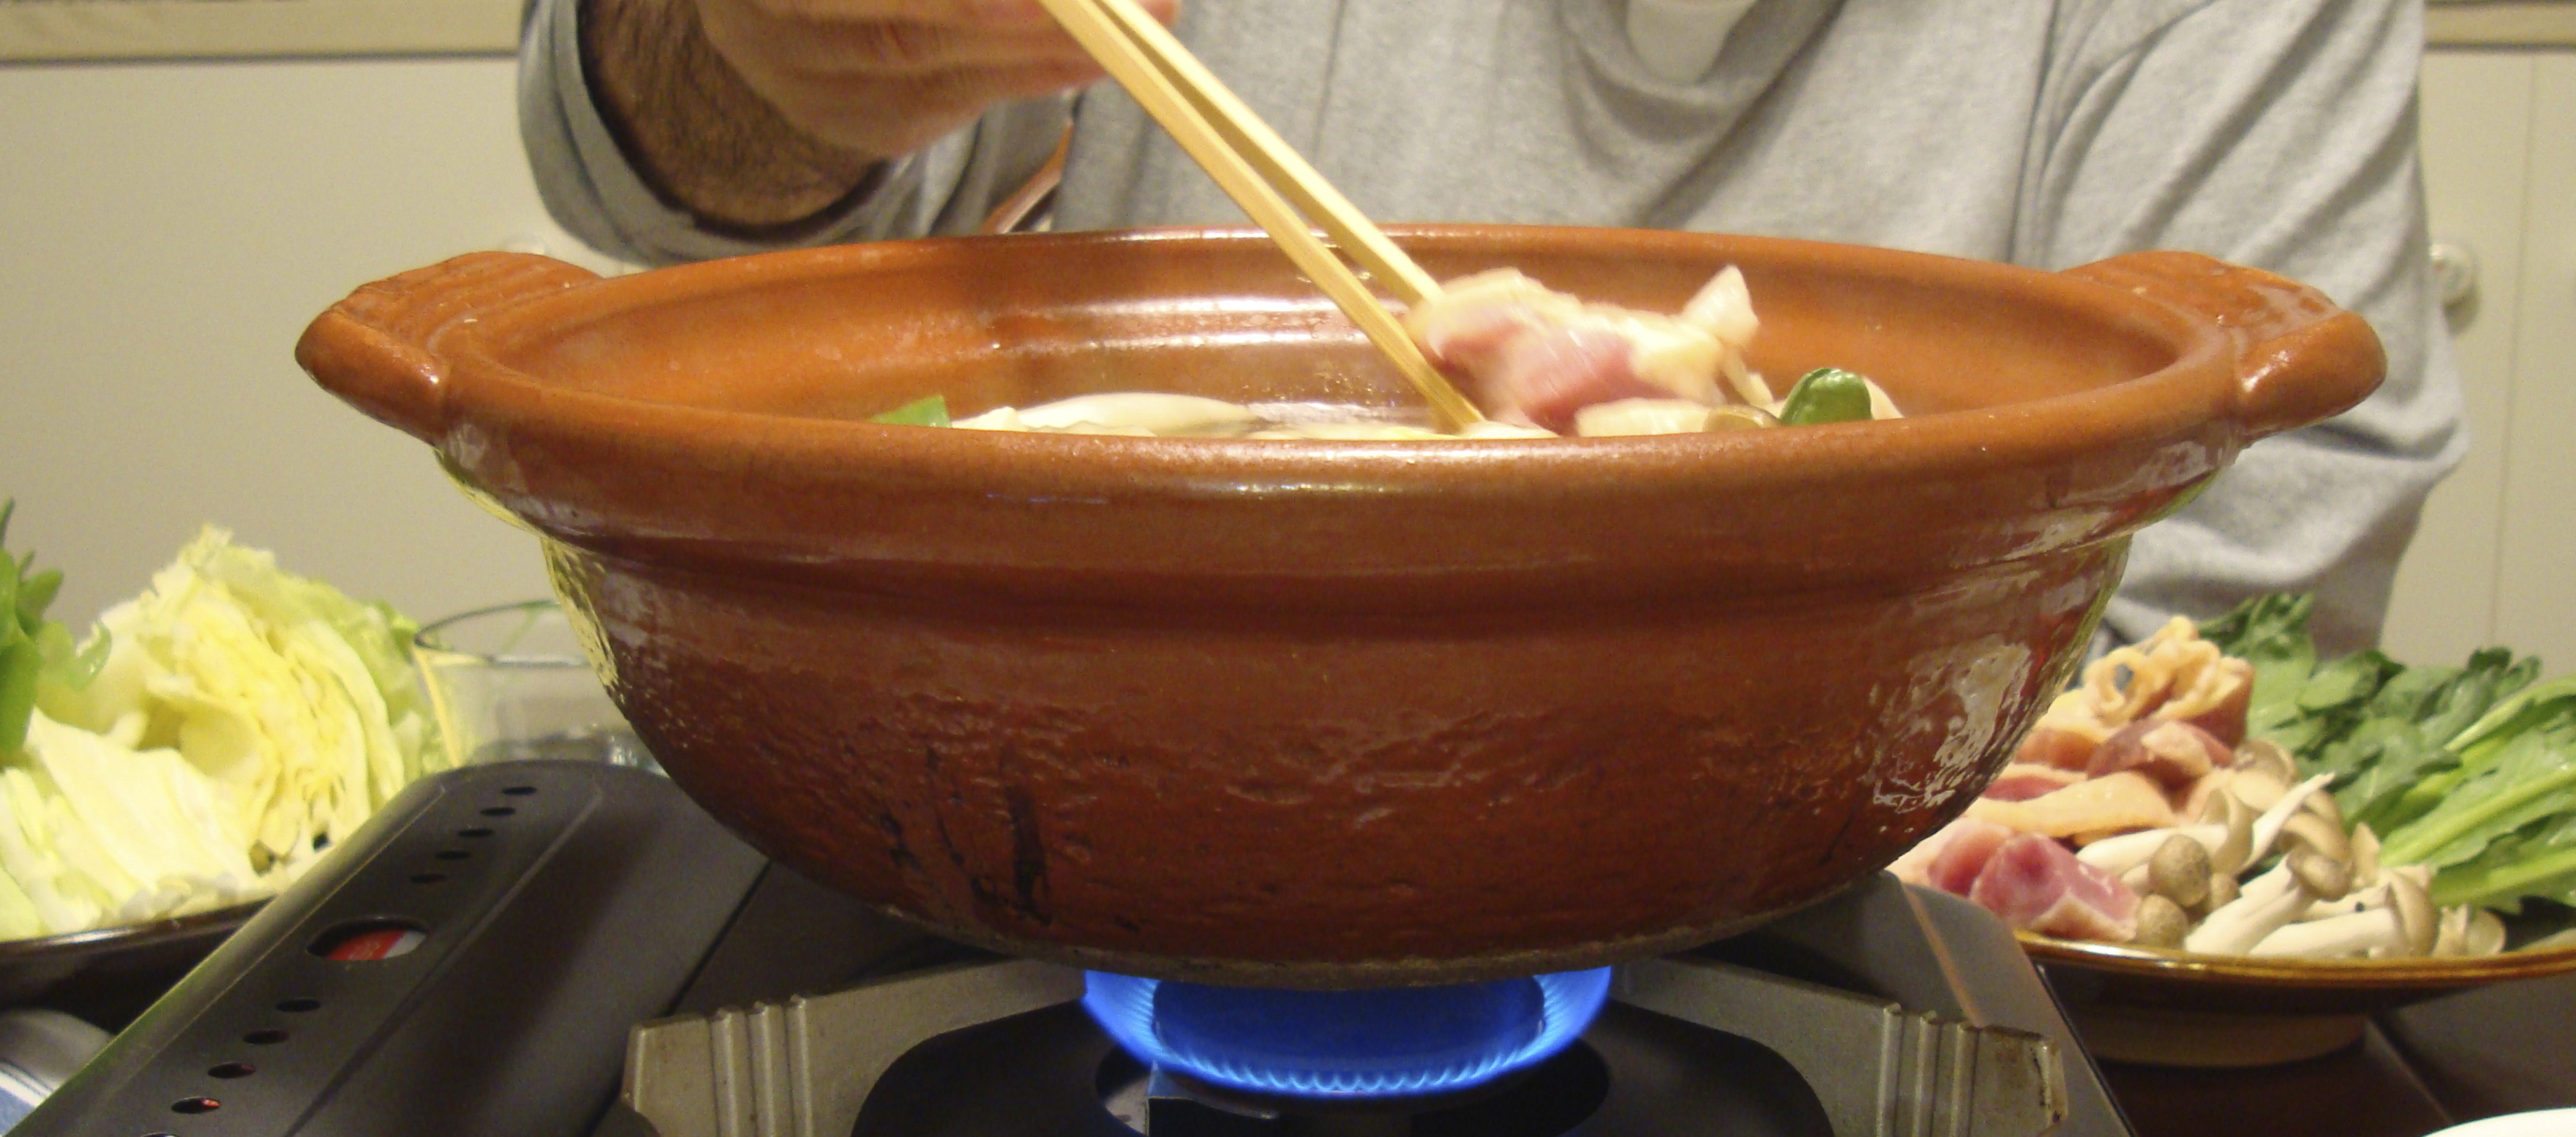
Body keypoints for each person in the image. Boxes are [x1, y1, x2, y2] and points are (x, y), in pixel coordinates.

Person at [523, 0, 2465, 653]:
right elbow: (653, 165)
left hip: (1891, 947)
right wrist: (763, 54)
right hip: (1074, 781)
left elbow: (2252, 564)